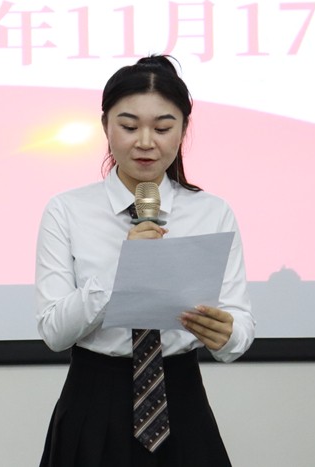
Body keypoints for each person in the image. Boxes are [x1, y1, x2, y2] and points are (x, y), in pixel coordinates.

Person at [35, 55, 254, 467]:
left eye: (163, 128)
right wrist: (122, 270)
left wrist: (227, 335)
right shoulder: (67, 211)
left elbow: (239, 329)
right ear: (105, 126)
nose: (146, 142)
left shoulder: (212, 212)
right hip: (92, 404)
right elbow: (53, 332)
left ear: (184, 129)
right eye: (130, 126)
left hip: (182, 400)